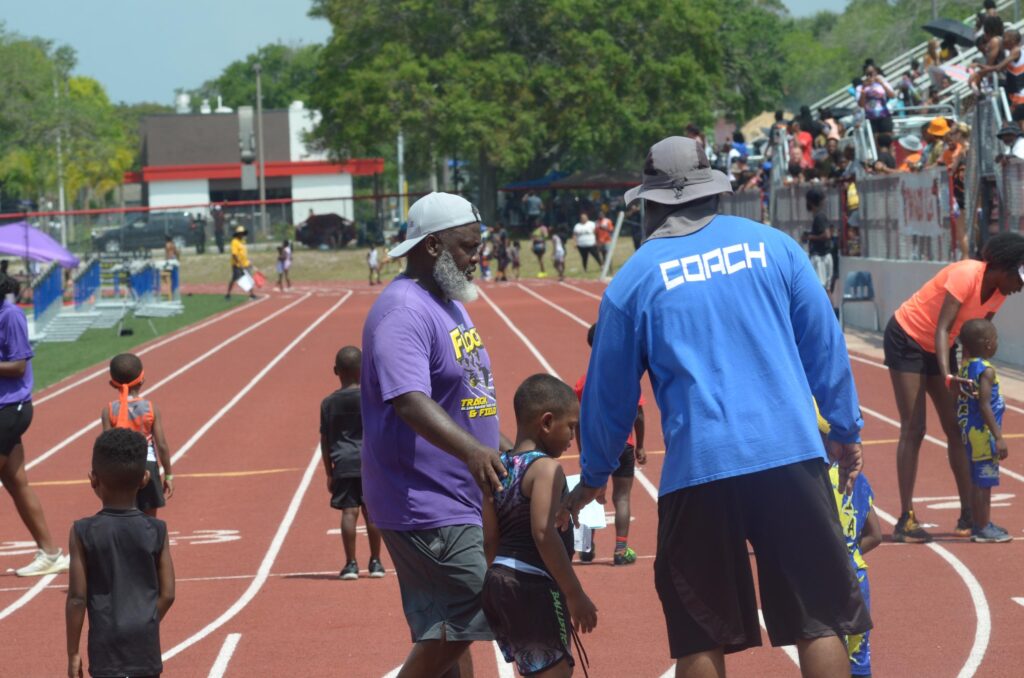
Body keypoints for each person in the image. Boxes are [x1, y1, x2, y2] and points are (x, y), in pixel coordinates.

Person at [560, 136, 870, 678]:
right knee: (820, 620)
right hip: (790, 456)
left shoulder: (632, 282)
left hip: (699, 469)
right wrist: (845, 428)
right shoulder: (776, 248)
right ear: (714, 192)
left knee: (698, 633)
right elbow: (826, 347)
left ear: (650, 203)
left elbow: (610, 397)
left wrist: (593, 475)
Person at [361, 191, 508, 677]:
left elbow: (466, 396)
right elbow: (408, 399)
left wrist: (508, 449)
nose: (476, 257)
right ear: (431, 247)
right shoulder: (404, 310)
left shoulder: (448, 301)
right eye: (467, 247)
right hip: (425, 501)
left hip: (457, 495)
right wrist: (472, 451)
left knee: (448, 629)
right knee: (473, 614)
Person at [884, 233, 1024, 543]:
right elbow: (943, 327)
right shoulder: (966, 274)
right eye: (1020, 278)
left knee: (958, 430)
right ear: (1003, 267)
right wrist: (949, 376)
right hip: (907, 337)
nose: (1020, 287)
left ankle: (970, 515)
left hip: (942, 348)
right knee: (914, 426)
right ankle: (905, 519)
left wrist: (971, 374)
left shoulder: (999, 293)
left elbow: (974, 336)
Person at [482, 374, 598, 678]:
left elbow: (490, 538)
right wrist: (574, 594)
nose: (573, 436)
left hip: (499, 580)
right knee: (555, 672)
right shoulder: (546, 468)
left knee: (534, 671)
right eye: (570, 426)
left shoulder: (497, 467)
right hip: (533, 584)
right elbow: (543, 532)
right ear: (546, 423)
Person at [66, 428, 175, 678]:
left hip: (105, 643)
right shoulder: (156, 529)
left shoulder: (82, 531)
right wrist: (145, 623)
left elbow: (76, 598)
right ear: (145, 479)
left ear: (93, 479)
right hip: (145, 643)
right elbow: (168, 594)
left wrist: (73, 653)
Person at [0, 272, 69, 577]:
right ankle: (50, 553)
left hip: (10, 408)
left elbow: (17, 366)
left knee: (16, 483)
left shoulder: (10, 316)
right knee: (16, 483)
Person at [814, 405, 881, 678]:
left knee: (827, 652)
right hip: (857, 577)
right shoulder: (858, 478)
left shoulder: (813, 480)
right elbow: (875, 534)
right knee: (858, 659)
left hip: (824, 579)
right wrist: (849, 551)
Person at [574, 323, 645, 565]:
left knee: (590, 494)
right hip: (624, 445)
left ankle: (585, 547)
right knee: (622, 497)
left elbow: (578, 420)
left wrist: (582, 451)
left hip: (596, 445)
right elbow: (639, 414)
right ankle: (620, 550)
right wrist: (641, 445)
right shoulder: (626, 377)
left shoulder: (584, 382)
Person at [321, 346, 386, 578]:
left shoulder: (328, 403)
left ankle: (351, 564)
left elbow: (325, 440)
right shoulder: (371, 399)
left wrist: (329, 472)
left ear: (336, 371)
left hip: (343, 463)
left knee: (349, 513)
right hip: (370, 462)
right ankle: (376, 562)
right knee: (372, 512)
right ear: (363, 370)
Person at [956, 319, 1012, 543]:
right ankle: (982, 526)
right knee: (984, 481)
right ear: (989, 344)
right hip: (983, 433)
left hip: (969, 431)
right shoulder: (986, 371)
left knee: (977, 479)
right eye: (996, 339)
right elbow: (985, 404)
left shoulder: (967, 366)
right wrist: (998, 437)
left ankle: (982, 522)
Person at [101, 353, 174, 517]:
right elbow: (161, 445)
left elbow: (104, 447)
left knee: (121, 516)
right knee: (149, 520)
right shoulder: (150, 408)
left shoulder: (109, 410)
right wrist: (168, 474)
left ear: (112, 383)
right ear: (142, 380)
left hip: (119, 469)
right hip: (146, 466)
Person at [803, 187, 834, 291]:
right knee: (826, 289)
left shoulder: (819, 217)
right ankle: (831, 308)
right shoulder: (819, 216)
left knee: (821, 289)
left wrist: (810, 237)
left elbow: (827, 235)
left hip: (820, 258)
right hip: (824, 256)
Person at [859, 63, 896, 137]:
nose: (870, 75)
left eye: (872, 72)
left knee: (887, 139)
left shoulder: (882, 82)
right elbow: (861, 105)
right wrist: (863, 89)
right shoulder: (862, 86)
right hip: (871, 118)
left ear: (875, 72)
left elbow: (892, 96)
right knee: (876, 141)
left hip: (884, 115)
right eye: (868, 74)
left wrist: (881, 83)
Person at [226, 225, 257, 300]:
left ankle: (252, 294)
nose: (242, 234)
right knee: (235, 279)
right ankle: (228, 293)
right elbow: (234, 254)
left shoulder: (243, 241)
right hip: (237, 265)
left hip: (245, 264)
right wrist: (239, 264)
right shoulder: (234, 242)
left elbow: (244, 253)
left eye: (242, 233)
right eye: (240, 233)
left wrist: (248, 262)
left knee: (247, 278)